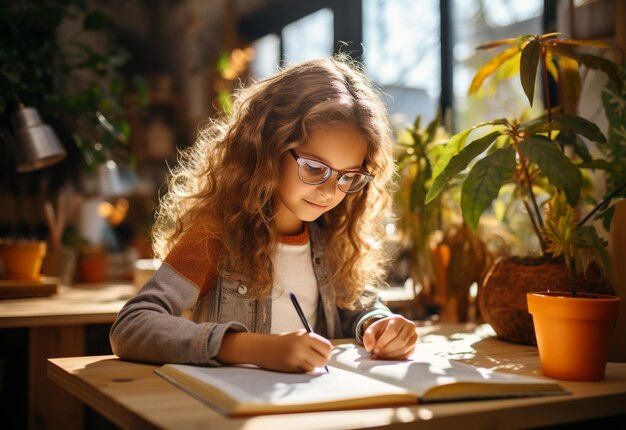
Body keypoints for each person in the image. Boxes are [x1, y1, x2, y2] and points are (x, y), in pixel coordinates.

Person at [110, 56, 417, 373]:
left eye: (348, 176)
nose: (329, 191)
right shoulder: (216, 235)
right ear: (268, 147)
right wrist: (254, 349)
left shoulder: (332, 237)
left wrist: (379, 324)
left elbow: (356, 306)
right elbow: (132, 326)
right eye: (313, 168)